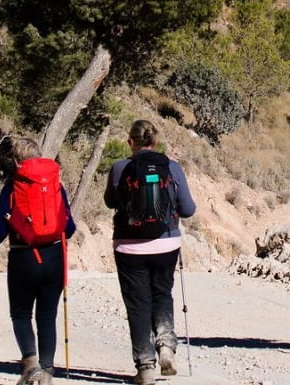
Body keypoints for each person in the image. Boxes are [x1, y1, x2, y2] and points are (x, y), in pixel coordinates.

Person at [103, 119, 197, 385]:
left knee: (138, 304)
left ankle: (145, 368)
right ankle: (166, 346)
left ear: (131, 142)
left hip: (128, 246)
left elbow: (110, 202)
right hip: (166, 243)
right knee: (162, 294)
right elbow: (188, 209)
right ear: (155, 142)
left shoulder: (120, 167)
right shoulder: (172, 167)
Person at [0, 136, 76, 385]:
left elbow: (1, 230)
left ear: (15, 160)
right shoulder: (56, 185)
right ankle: (46, 373)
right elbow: (71, 226)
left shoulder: (12, 187)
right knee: (47, 316)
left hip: (23, 256)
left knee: (21, 313)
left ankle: (30, 364)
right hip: (54, 257)